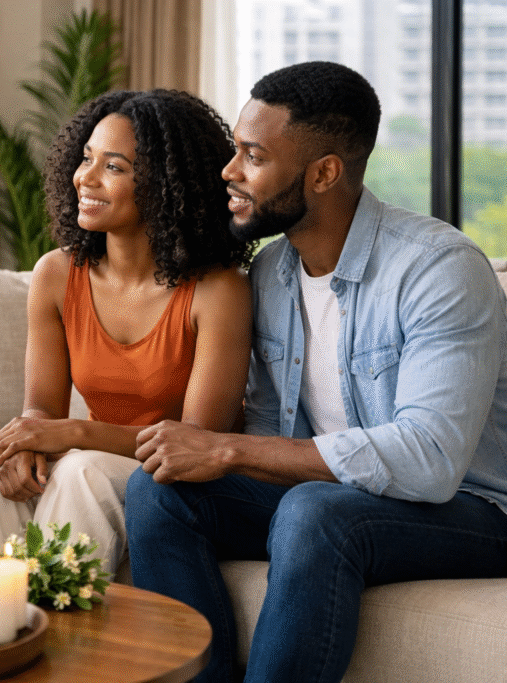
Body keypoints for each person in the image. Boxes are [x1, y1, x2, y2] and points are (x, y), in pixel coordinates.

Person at [125, 61, 507, 682]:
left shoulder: (439, 269)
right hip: (333, 500)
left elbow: (430, 462)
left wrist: (225, 451)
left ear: (324, 172)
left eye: (253, 155)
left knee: (314, 510)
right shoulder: (271, 274)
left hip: (473, 509)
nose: (230, 171)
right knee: (158, 490)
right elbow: (270, 427)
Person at [0, 89, 255, 576]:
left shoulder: (218, 291)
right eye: (86, 158)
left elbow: (195, 443)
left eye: (113, 167)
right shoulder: (55, 274)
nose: (84, 178)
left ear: (166, 185)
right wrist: (22, 446)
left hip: (174, 481)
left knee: (81, 472)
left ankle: (64, 641)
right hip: (94, 457)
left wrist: (75, 432)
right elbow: (41, 410)